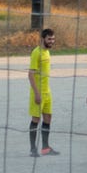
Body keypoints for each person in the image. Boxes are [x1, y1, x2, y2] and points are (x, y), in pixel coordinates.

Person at [28, 28, 60, 157]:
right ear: (42, 39)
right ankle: (33, 149)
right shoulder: (36, 53)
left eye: (53, 39)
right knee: (36, 119)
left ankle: (45, 148)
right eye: (49, 39)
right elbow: (30, 75)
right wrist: (37, 93)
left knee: (48, 118)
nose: (52, 41)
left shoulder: (47, 52)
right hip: (38, 92)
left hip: (47, 92)